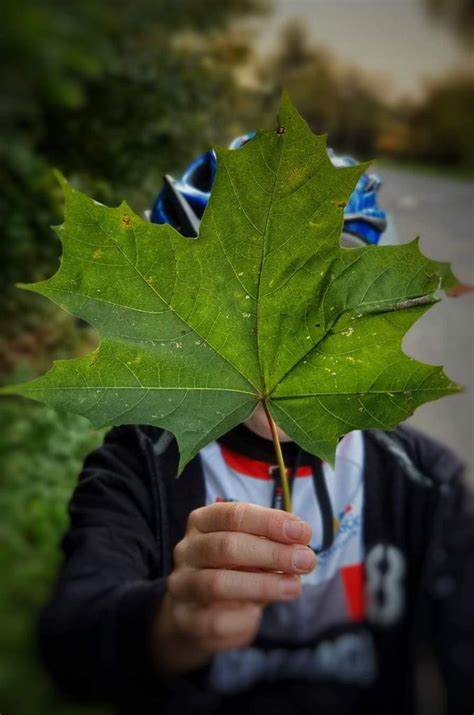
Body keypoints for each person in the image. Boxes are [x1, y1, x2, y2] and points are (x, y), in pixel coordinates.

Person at [38, 139, 474, 715]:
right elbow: (73, 636)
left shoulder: (423, 480)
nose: (282, 332)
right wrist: (166, 626)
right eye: (229, 302)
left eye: (323, 301)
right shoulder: (140, 463)